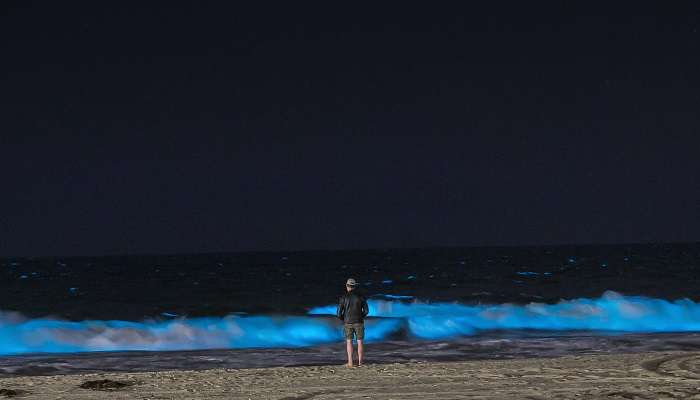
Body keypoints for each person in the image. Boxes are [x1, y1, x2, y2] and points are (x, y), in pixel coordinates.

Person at [336, 278, 369, 367]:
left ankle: (350, 362)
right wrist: (360, 316)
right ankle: (360, 363)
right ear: (354, 287)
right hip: (359, 321)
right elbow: (366, 311)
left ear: (347, 286)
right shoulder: (361, 297)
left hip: (348, 322)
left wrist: (344, 318)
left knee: (349, 342)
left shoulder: (343, 297)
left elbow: (338, 313)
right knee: (360, 342)